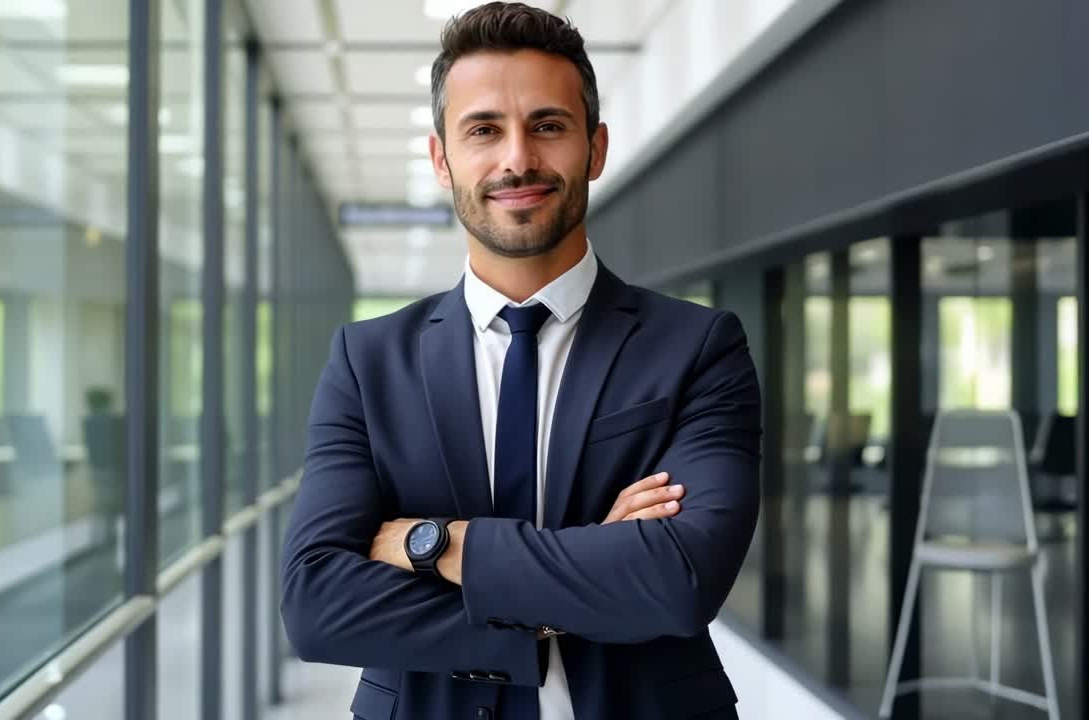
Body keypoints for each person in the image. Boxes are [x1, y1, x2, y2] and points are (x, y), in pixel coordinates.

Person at [279, 3, 761, 718]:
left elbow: (678, 581)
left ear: (594, 148)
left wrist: (429, 544)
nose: (517, 159)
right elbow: (317, 604)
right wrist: (581, 574)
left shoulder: (696, 347)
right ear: (442, 158)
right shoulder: (368, 361)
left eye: (547, 126)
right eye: (483, 130)